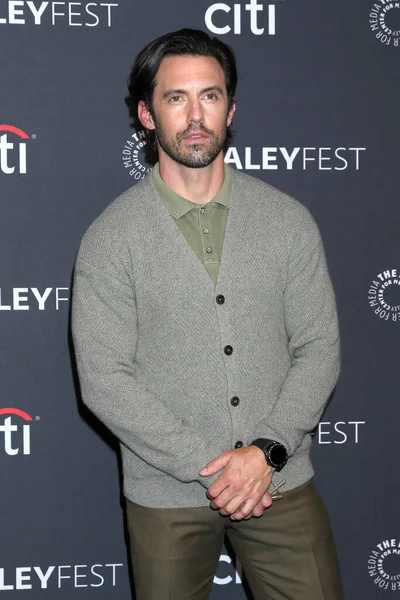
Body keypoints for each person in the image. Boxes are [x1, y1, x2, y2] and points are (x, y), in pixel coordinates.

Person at [71, 28, 344, 600]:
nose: (195, 116)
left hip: (279, 482)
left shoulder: (287, 222)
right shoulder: (111, 239)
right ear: (146, 114)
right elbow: (104, 379)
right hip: (165, 496)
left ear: (231, 108)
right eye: (176, 98)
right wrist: (214, 468)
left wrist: (266, 452)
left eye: (210, 96)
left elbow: (319, 349)